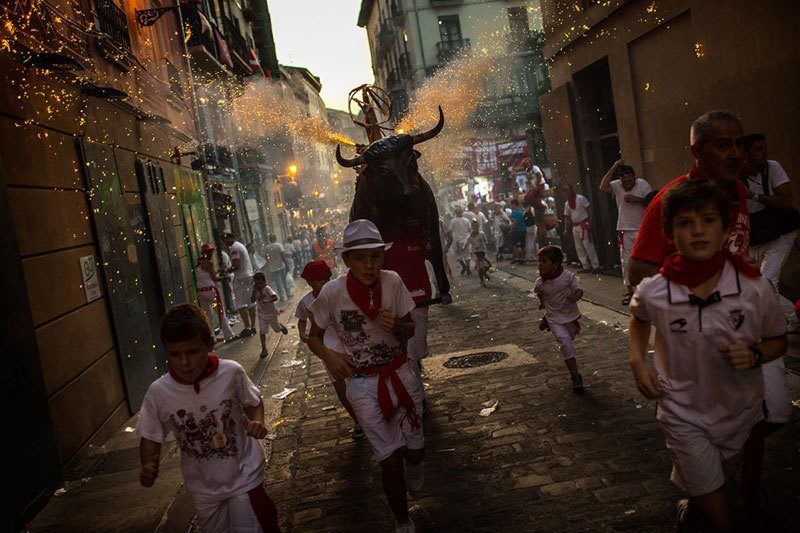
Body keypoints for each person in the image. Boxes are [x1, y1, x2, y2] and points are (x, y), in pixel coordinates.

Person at [627, 180, 787, 530]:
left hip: (740, 414)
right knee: (721, 518)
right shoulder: (655, 290)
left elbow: (779, 339)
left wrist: (756, 354)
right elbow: (638, 321)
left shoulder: (754, 288)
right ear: (669, 232)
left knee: (709, 492)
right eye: (685, 223)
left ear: (726, 228)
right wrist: (638, 361)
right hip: (683, 414)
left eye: (709, 220)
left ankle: (691, 513)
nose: (698, 231)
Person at [307, 220, 422, 533]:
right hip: (361, 385)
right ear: (346, 260)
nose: (370, 265)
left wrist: (398, 326)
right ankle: (402, 522)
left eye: (375, 256)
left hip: (401, 374)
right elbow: (313, 336)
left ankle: (413, 452)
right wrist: (331, 356)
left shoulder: (394, 282)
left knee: (414, 453)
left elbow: (411, 327)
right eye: (361, 258)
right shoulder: (332, 293)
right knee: (390, 461)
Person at [136, 304, 279, 532]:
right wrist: (149, 463)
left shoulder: (231, 372)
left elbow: (252, 402)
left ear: (209, 345)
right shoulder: (158, 393)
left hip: (244, 475)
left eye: (192, 352)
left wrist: (257, 422)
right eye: (175, 354)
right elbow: (150, 435)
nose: (184, 362)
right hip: (202, 486)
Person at [628, 110, 752, 286]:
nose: (736, 154)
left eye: (740, 145)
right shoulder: (671, 200)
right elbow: (638, 273)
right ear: (697, 152)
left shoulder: (738, 190)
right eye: (723, 146)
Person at [296, 260, 363, 439]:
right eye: (319, 281)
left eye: (326, 280)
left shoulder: (338, 294)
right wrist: (302, 333)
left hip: (349, 343)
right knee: (340, 385)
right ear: (309, 282)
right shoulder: (305, 302)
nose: (324, 284)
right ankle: (358, 420)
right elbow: (302, 320)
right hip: (327, 348)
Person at [741, 133, 800, 334]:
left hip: (781, 234)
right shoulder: (735, 176)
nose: (764, 153)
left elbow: (786, 201)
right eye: (758, 149)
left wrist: (754, 195)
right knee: (759, 287)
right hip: (757, 237)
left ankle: (788, 321)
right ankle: (793, 318)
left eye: (765, 148)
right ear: (745, 154)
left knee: (766, 284)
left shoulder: (772, 167)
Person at [599, 159, 653, 303]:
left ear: (634, 177)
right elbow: (603, 186)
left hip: (642, 228)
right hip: (624, 229)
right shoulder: (617, 186)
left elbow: (651, 201)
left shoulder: (643, 184)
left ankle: (647, 291)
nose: (626, 182)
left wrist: (637, 199)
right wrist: (615, 166)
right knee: (626, 262)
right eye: (624, 179)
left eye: (629, 179)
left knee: (645, 259)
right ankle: (630, 292)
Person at [534, 245, 585, 392]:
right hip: (554, 318)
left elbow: (579, 290)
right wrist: (542, 303)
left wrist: (574, 297)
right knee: (565, 343)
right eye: (539, 261)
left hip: (569, 315)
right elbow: (539, 292)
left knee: (570, 336)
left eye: (544, 261)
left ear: (555, 265)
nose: (540, 265)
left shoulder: (567, 276)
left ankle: (546, 319)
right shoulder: (540, 282)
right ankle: (575, 375)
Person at [195, 243, 235, 342]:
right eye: (210, 252)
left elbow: (208, 275)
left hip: (201, 292)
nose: (211, 254)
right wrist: (225, 277)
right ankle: (228, 335)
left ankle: (211, 337)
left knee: (207, 315)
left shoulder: (199, 263)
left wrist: (218, 270)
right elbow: (214, 278)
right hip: (211, 292)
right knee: (220, 313)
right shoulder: (209, 263)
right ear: (207, 253)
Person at [223, 232, 256, 337]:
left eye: (225, 239)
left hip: (241, 277)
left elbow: (236, 265)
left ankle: (247, 327)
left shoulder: (234, 248)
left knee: (241, 304)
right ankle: (253, 327)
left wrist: (226, 270)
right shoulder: (240, 245)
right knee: (250, 302)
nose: (224, 242)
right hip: (248, 275)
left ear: (231, 237)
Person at [563, 184, 600, 273]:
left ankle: (596, 266)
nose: (568, 192)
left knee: (588, 245)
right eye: (566, 190)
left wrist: (590, 223)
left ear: (572, 189)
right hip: (575, 227)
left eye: (569, 189)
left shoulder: (580, 198)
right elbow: (567, 217)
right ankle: (585, 266)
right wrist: (565, 229)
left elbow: (589, 209)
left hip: (584, 224)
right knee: (579, 247)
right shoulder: (567, 203)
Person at [251, 272, 288, 358]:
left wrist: (267, 301)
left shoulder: (267, 288)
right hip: (261, 314)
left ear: (264, 282)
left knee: (277, 330)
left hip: (271, 313)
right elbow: (252, 301)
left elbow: (275, 297)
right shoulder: (255, 291)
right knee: (262, 331)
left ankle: (280, 327)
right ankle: (264, 349)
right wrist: (253, 291)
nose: (260, 285)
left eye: (261, 283)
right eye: (257, 284)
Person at [263, 234, 291, 303]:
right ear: (275, 238)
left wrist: (267, 267)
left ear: (270, 239)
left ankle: (282, 297)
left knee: (278, 283)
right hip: (281, 266)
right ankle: (288, 294)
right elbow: (283, 256)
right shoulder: (279, 245)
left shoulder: (267, 248)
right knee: (284, 281)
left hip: (273, 268)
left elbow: (266, 258)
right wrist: (287, 265)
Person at [447, 206, 472, 275]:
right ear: (462, 212)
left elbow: (450, 231)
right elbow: (470, 230)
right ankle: (468, 268)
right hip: (466, 240)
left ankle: (464, 266)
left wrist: (449, 240)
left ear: (455, 213)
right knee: (467, 255)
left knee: (458, 255)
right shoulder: (466, 220)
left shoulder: (453, 221)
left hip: (457, 241)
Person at [467, 219, 491, 287]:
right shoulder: (470, 236)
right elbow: (467, 244)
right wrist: (463, 248)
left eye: (477, 226)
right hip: (476, 253)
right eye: (474, 226)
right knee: (480, 268)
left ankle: (485, 274)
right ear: (472, 227)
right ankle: (482, 281)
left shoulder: (482, 233)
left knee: (487, 266)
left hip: (483, 251)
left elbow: (486, 241)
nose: (476, 228)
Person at [508, 198, 528, 264]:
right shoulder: (513, 212)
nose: (510, 206)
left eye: (511, 204)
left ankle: (523, 259)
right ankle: (516, 258)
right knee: (514, 245)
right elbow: (511, 220)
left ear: (514, 204)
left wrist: (510, 226)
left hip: (521, 230)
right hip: (515, 230)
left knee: (522, 245)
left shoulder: (520, 212)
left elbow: (515, 222)